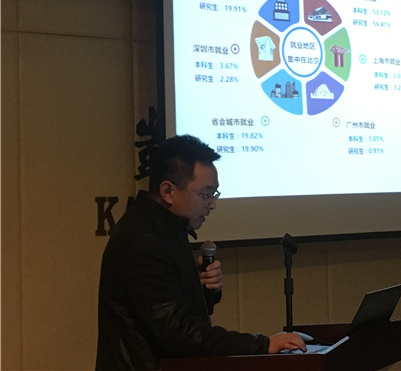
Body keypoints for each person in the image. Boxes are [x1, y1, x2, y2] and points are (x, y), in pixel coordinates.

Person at [96, 135, 305, 370]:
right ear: (168, 191)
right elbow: (180, 334)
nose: (212, 204)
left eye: (214, 194)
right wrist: (261, 345)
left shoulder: (164, 229)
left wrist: (202, 288)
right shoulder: (144, 240)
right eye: (205, 194)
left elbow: (169, 315)